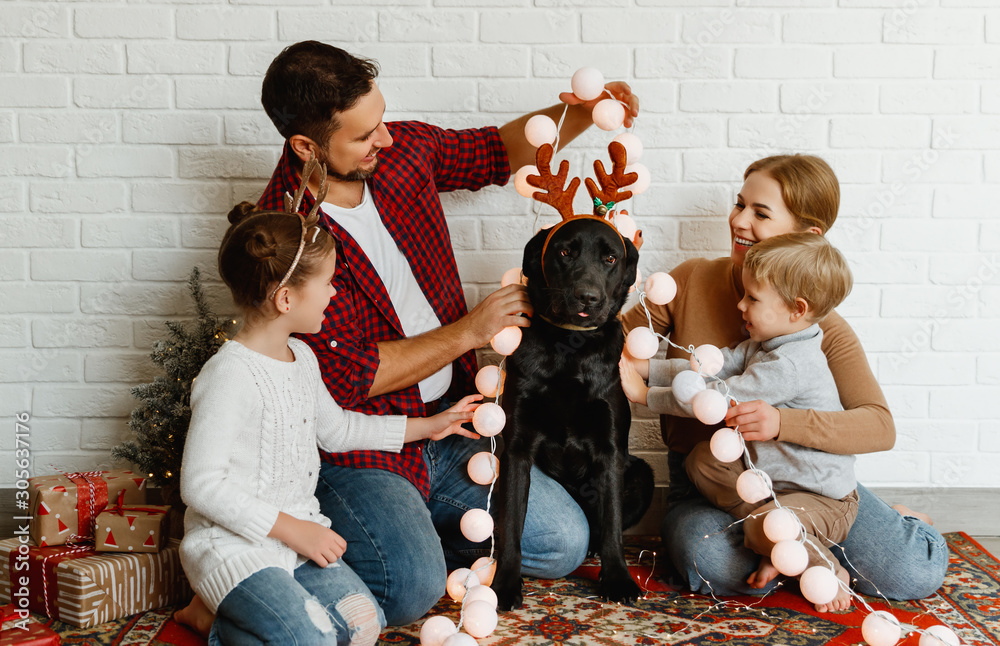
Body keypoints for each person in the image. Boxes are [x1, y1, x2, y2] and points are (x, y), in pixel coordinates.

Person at [254, 41, 641, 625]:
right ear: (306, 146)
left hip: (455, 425)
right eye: (364, 136)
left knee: (563, 544)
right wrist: (470, 332)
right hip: (367, 449)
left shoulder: (402, 151)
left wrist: (587, 111)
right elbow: (353, 379)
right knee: (412, 589)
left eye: (381, 121)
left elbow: (493, 153)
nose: (383, 139)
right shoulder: (286, 238)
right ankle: (305, 561)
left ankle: (414, 532)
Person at [620, 154, 947, 601]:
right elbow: (617, 343)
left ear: (804, 237)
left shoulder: (815, 324)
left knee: (912, 571)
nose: (739, 221)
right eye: (740, 204)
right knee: (718, 564)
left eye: (761, 213)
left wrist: (782, 424)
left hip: (803, 477)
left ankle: (881, 526)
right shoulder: (692, 278)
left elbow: (878, 425)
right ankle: (797, 551)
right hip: (711, 481)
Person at [176, 178, 484, 644]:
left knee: (364, 626)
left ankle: (227, 615)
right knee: (312, 639)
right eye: (327, 284)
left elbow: (338, 430)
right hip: (235, 545)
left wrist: (427, 426)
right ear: (286, 299)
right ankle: (210, 617)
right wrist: (294, 531)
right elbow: (200, 486)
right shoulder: (230, 375)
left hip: (297, 538)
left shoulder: (303, 358)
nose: (334, 294)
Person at [620, 232, 858, 611]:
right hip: (771, 487)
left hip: (820, 499)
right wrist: (646, 367)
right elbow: (702, 369)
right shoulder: (764, 344)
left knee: (762, 527)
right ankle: (776, 542)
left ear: (796, 309)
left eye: (752, 298)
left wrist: (645, 394)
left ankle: (826, 569)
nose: (740, 304)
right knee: (702, 460)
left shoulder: (791, 365)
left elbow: (713, 398)